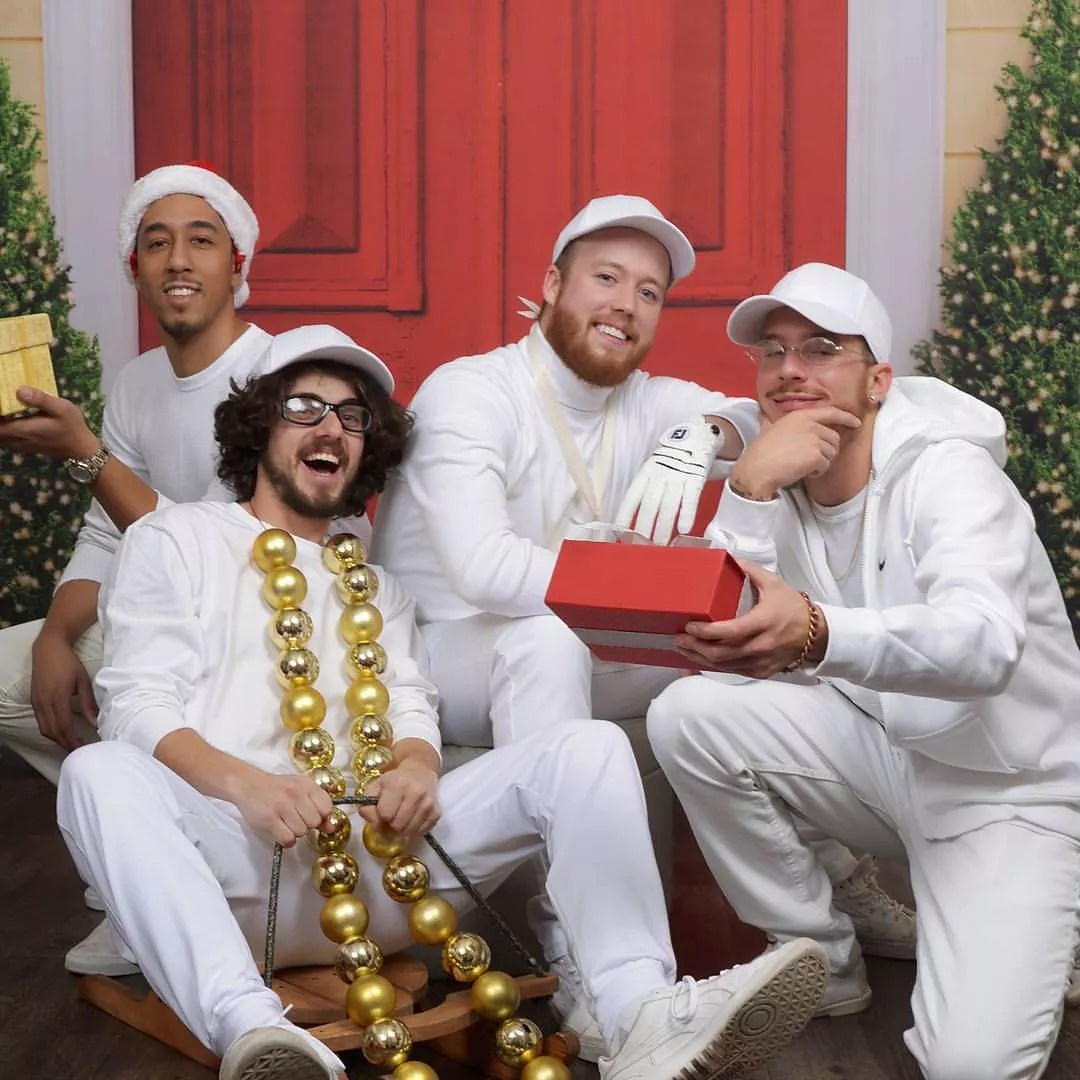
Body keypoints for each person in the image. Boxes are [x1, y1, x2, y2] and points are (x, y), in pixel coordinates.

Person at [57, 324, 829, 1080]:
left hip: (385, 870)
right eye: (304, 407)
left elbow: (409, 707)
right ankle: (253, 1032)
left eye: (352, 416)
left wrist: (416, 770)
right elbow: (137, 706)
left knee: (586, 748)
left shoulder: (376, 586)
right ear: (259, 427)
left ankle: (639, 1016)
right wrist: (250, 788)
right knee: (98, 772)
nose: (331, 427)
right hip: (238, 873)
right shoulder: (176, 538)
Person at [369, 198, 914, 1052]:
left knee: (752, 632)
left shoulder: (649, 400)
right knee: (547, 639)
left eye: (649, 292)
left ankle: (835, 879)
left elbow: (754, 412)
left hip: (578, 644)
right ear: (553, 286)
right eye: (606, 278)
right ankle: (580, 962)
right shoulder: (472, 390)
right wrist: (639, 588)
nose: (625, 304)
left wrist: (703, 432)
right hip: (445, 659)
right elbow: (482, 569)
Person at [646, 262, 1080, 1078]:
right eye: (773, 353)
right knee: (688, 716)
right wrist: (746, 485)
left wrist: (816, 632)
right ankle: (823, 960)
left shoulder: (950, 475)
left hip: (1007, 789)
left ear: (878, 380)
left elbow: (985, 643)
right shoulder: (779, 475)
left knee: (970, 1066)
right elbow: (732, 651)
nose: (789, 371)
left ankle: (1047, 920)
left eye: (820, 349)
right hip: (890, 759)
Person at [0, 162, 270, 786]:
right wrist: (55, 637)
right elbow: (105, 535)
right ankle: (141, 803)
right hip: (157, 619)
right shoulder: (138, 380)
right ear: (134, 269)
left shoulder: (274, 375)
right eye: (157, 244)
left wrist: (84, 453)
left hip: (255, 632)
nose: (178, 261)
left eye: (201, 241)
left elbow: (209, 557)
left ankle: (177, 803)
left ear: (236, 266)